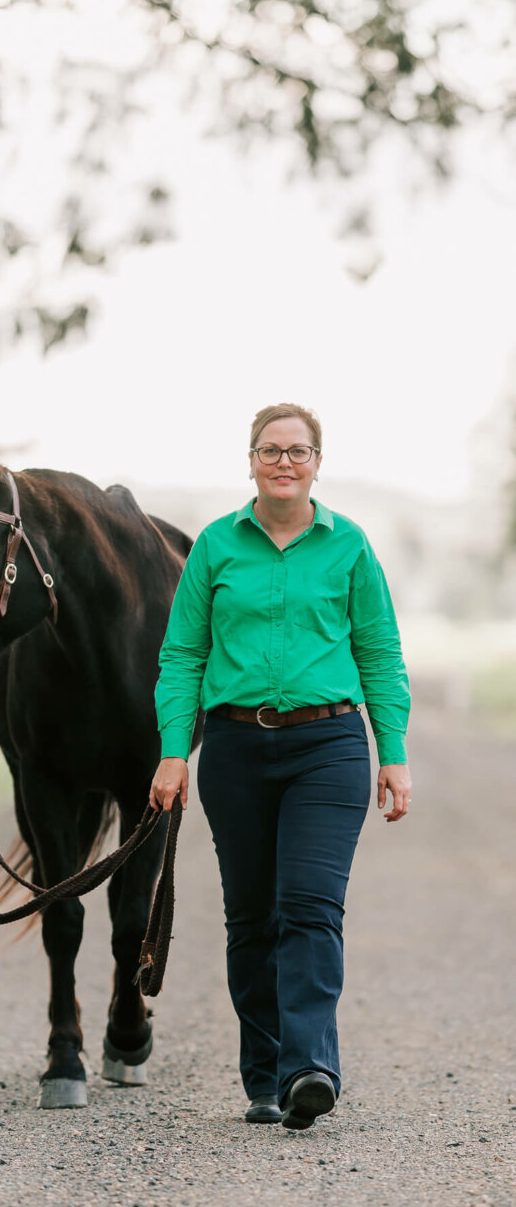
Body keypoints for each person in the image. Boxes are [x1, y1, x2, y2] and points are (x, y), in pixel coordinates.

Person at [149, 404, 411, 1131]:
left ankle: (309, 1067)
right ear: (252, 459)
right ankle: (263, 1077)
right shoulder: (215, 547)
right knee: (251, 917)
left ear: (318, 462)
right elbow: (182, 657)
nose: (285, 462)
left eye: (299, 451)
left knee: (310, 906)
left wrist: (393, 753)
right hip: (233, 749)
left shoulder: (349, 547)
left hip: (327, 747)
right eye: (271, 450)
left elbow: (381, 656)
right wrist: (175, 750)